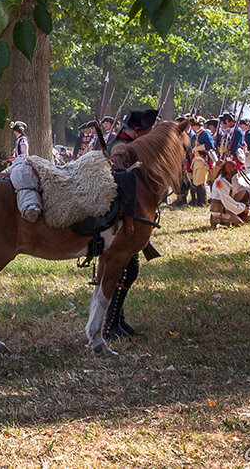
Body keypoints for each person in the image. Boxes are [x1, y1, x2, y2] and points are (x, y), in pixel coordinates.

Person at [101, 109, 159, 340]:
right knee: (126, 271)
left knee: (127, 270)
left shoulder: (127, 145)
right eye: (146, 132)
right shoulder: (120, 148)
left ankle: (117, 320)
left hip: (126, 218)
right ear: (137, 131)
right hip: (118, 221)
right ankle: (110, 324)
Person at [210, 158, 250, 226]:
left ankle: (234, 214)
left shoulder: (232, 180)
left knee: (245, 193)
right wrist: (243, 207)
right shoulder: (219, 182)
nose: (234, 169)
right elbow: (227, 201)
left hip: (227, 207)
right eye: (232, 168)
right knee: (238, 223)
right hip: (220, 209)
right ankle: (216, 218)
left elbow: (241, 188)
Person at [187, 117, 215, 207]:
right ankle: (198, 201)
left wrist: (197, 148)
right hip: (196, 160)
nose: (193, 127)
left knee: (200, 181)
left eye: (195, 125)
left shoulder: (205, 133)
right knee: (196, 182)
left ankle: (203, 202)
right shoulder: (195, 135)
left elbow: (210, 146)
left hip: (203, 160)